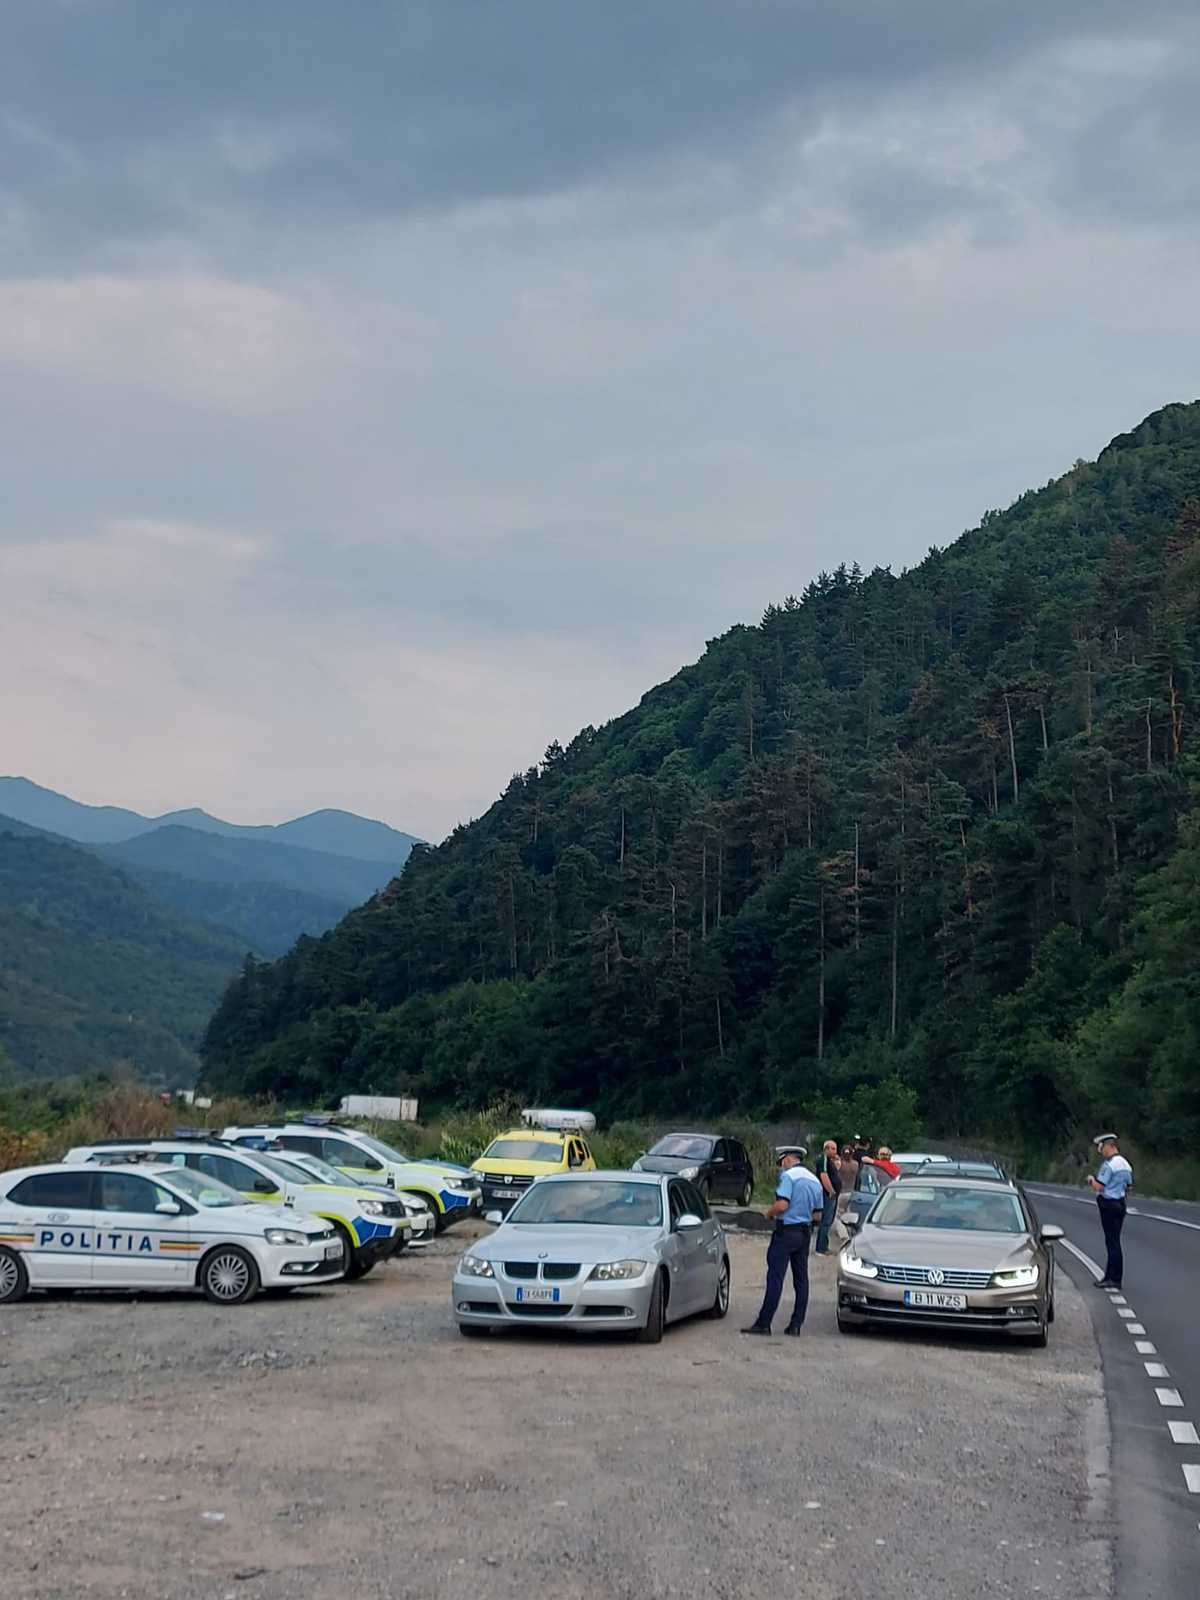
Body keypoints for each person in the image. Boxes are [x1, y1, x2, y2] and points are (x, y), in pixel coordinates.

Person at [741, 1147, 825, 1338]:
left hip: (786, 1232)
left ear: (787, 1159)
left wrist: (768, 1213)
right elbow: (818, 1215)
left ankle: (764, 1323)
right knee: (801, 1280)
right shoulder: (814, 1180)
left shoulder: (789, 1177)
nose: (781, 1168)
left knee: (775, 1277)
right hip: (804, 1233)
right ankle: (796, 1325)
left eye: (781, 1163)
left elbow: (782, 1205)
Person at [1088, 1133, 1133, 1288]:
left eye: (1102, 1147)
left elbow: (1099, 1186)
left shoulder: (1109, 1165)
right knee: (1115, 1241)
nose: (1101, 1151)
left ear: (1110, 1146)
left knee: (1111, 1242)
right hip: (1120, 1204)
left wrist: (1090, 1180)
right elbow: (1129, 1187)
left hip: (1108, 1204)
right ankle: (1113, 1276)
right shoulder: (1126, 1165)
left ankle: (1112, 1279)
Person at [813, 1138, 841, 1254]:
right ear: (827, 1148)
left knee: (828, 1221)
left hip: (831, 1194)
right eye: (833, 1149)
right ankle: (821, 1248)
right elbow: (824, 1175)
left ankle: (824, 1246)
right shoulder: (823, 1159)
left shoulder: (829, 1161)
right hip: (827, 1194)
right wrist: (831, 1191)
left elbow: (833, 1174)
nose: (835, 1151)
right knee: (825, 1221)